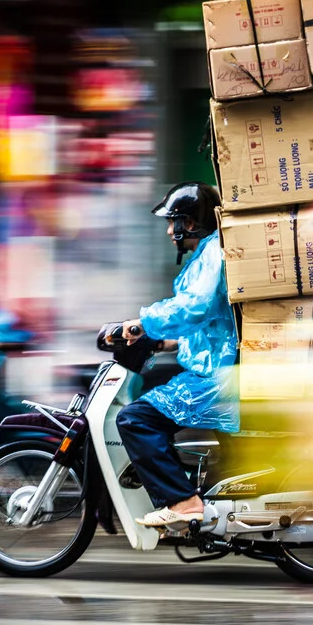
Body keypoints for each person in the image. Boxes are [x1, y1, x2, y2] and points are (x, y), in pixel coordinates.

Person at [114, 182, 239, 527]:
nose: (171, 230)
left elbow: (196, 307)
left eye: (175, 221)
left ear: (192, 222)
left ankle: (182, 502)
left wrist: (144, 323)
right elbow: (216, 324)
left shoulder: (213, 253)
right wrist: (168, 343)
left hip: (218, 375)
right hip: (216, 364)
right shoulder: (209, 253)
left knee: (135, 419)